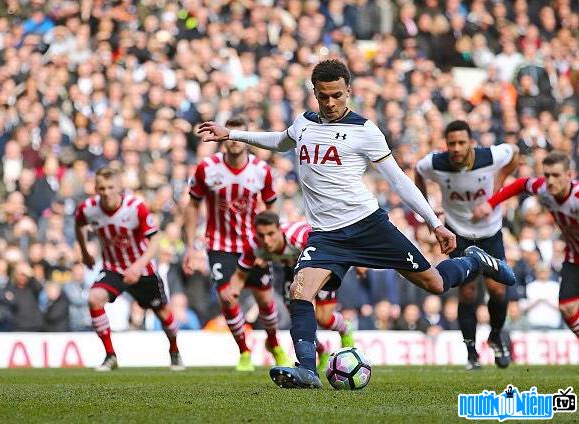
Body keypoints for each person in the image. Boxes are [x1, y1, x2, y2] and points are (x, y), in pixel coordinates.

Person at [198, 59, 516, 389]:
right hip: (325, 236)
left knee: (435, 283)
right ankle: (307, 368)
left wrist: (435, 223)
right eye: (324, 96)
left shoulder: (365, 131)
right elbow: (280, 141)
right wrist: (231, 134)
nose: (331, 102)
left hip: (368, 226)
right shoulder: (304, 123)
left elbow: (399, 181)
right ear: (315, 93)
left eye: (337, 95)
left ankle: (475, 260)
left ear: (348, 91)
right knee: (299, 292)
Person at [184, 117, 289, 371]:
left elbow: (271, 206)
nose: (232, 142)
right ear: (222, 138)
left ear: (243, 137)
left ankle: (273, 343)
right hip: (220, 247)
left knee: (264, 300)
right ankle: (244, 350)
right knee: (227, 297)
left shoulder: (261, 171)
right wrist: (190, 245)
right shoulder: (206, 168)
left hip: (254, 246)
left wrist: (269, 245)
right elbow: (193, 205)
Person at [415, 119, 519, 370]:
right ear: (446, 144)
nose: (457, 148)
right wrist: (428, 210)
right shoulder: (435, 163)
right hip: (459, 233)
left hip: (490, 232)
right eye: (452, 143)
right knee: (467, 291)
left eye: (462, 142)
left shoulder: (489, 156)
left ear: (471, 142)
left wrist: (498, 185)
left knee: (498, 290)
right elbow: (417, 172)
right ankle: (471, 352)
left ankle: (495, 335)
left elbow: (514, 153)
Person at [75, 166, 184, 372]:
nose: (106, 192)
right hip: (113, 268)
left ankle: (175, 350)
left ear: (120, 188)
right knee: (94, 298)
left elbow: (155, 239)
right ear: (95, 188)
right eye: (101, 188)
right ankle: (110, 355)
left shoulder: (136, 207)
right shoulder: (88, 208)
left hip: (143, 270)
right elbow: (78, 224)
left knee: (162, 313)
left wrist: (138, 266)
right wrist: (85, 252)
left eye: (110, 187)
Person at [228, 211, 354, 373]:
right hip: (293, 272)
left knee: (323, 318)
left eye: (271, 234)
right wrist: (231, 297)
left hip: (320, 265)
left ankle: (345, 329)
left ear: (280, 229)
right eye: (261, 235)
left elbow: (327, 244)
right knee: (299, 319)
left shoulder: (300, 236)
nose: (266, 240)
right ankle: (321, 351)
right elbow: (239, 275)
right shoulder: (254, 246)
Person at [473, 151, 579, 339]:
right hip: (574, 256)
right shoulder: (544, 190)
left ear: (570, 176)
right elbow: (521, 184)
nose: (551, 180)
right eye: (547, 175)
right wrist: (491, 203)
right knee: (567, 307)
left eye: (556, 175)